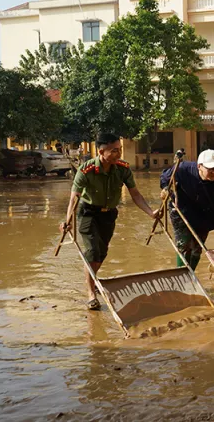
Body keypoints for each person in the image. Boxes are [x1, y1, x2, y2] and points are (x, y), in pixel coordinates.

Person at [61, 133, 158, 310]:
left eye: (119, 150)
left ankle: (92, 278)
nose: (118, 154)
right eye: (114, 151)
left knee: (102, 253)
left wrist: (151, 213)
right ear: (101, 151)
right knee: (92, 250)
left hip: (109, 214)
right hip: (88, 213)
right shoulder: (86, 170)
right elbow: (74, 198)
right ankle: (91, 292)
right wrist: (67, 221)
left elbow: (135, 194)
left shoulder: (122, 169)